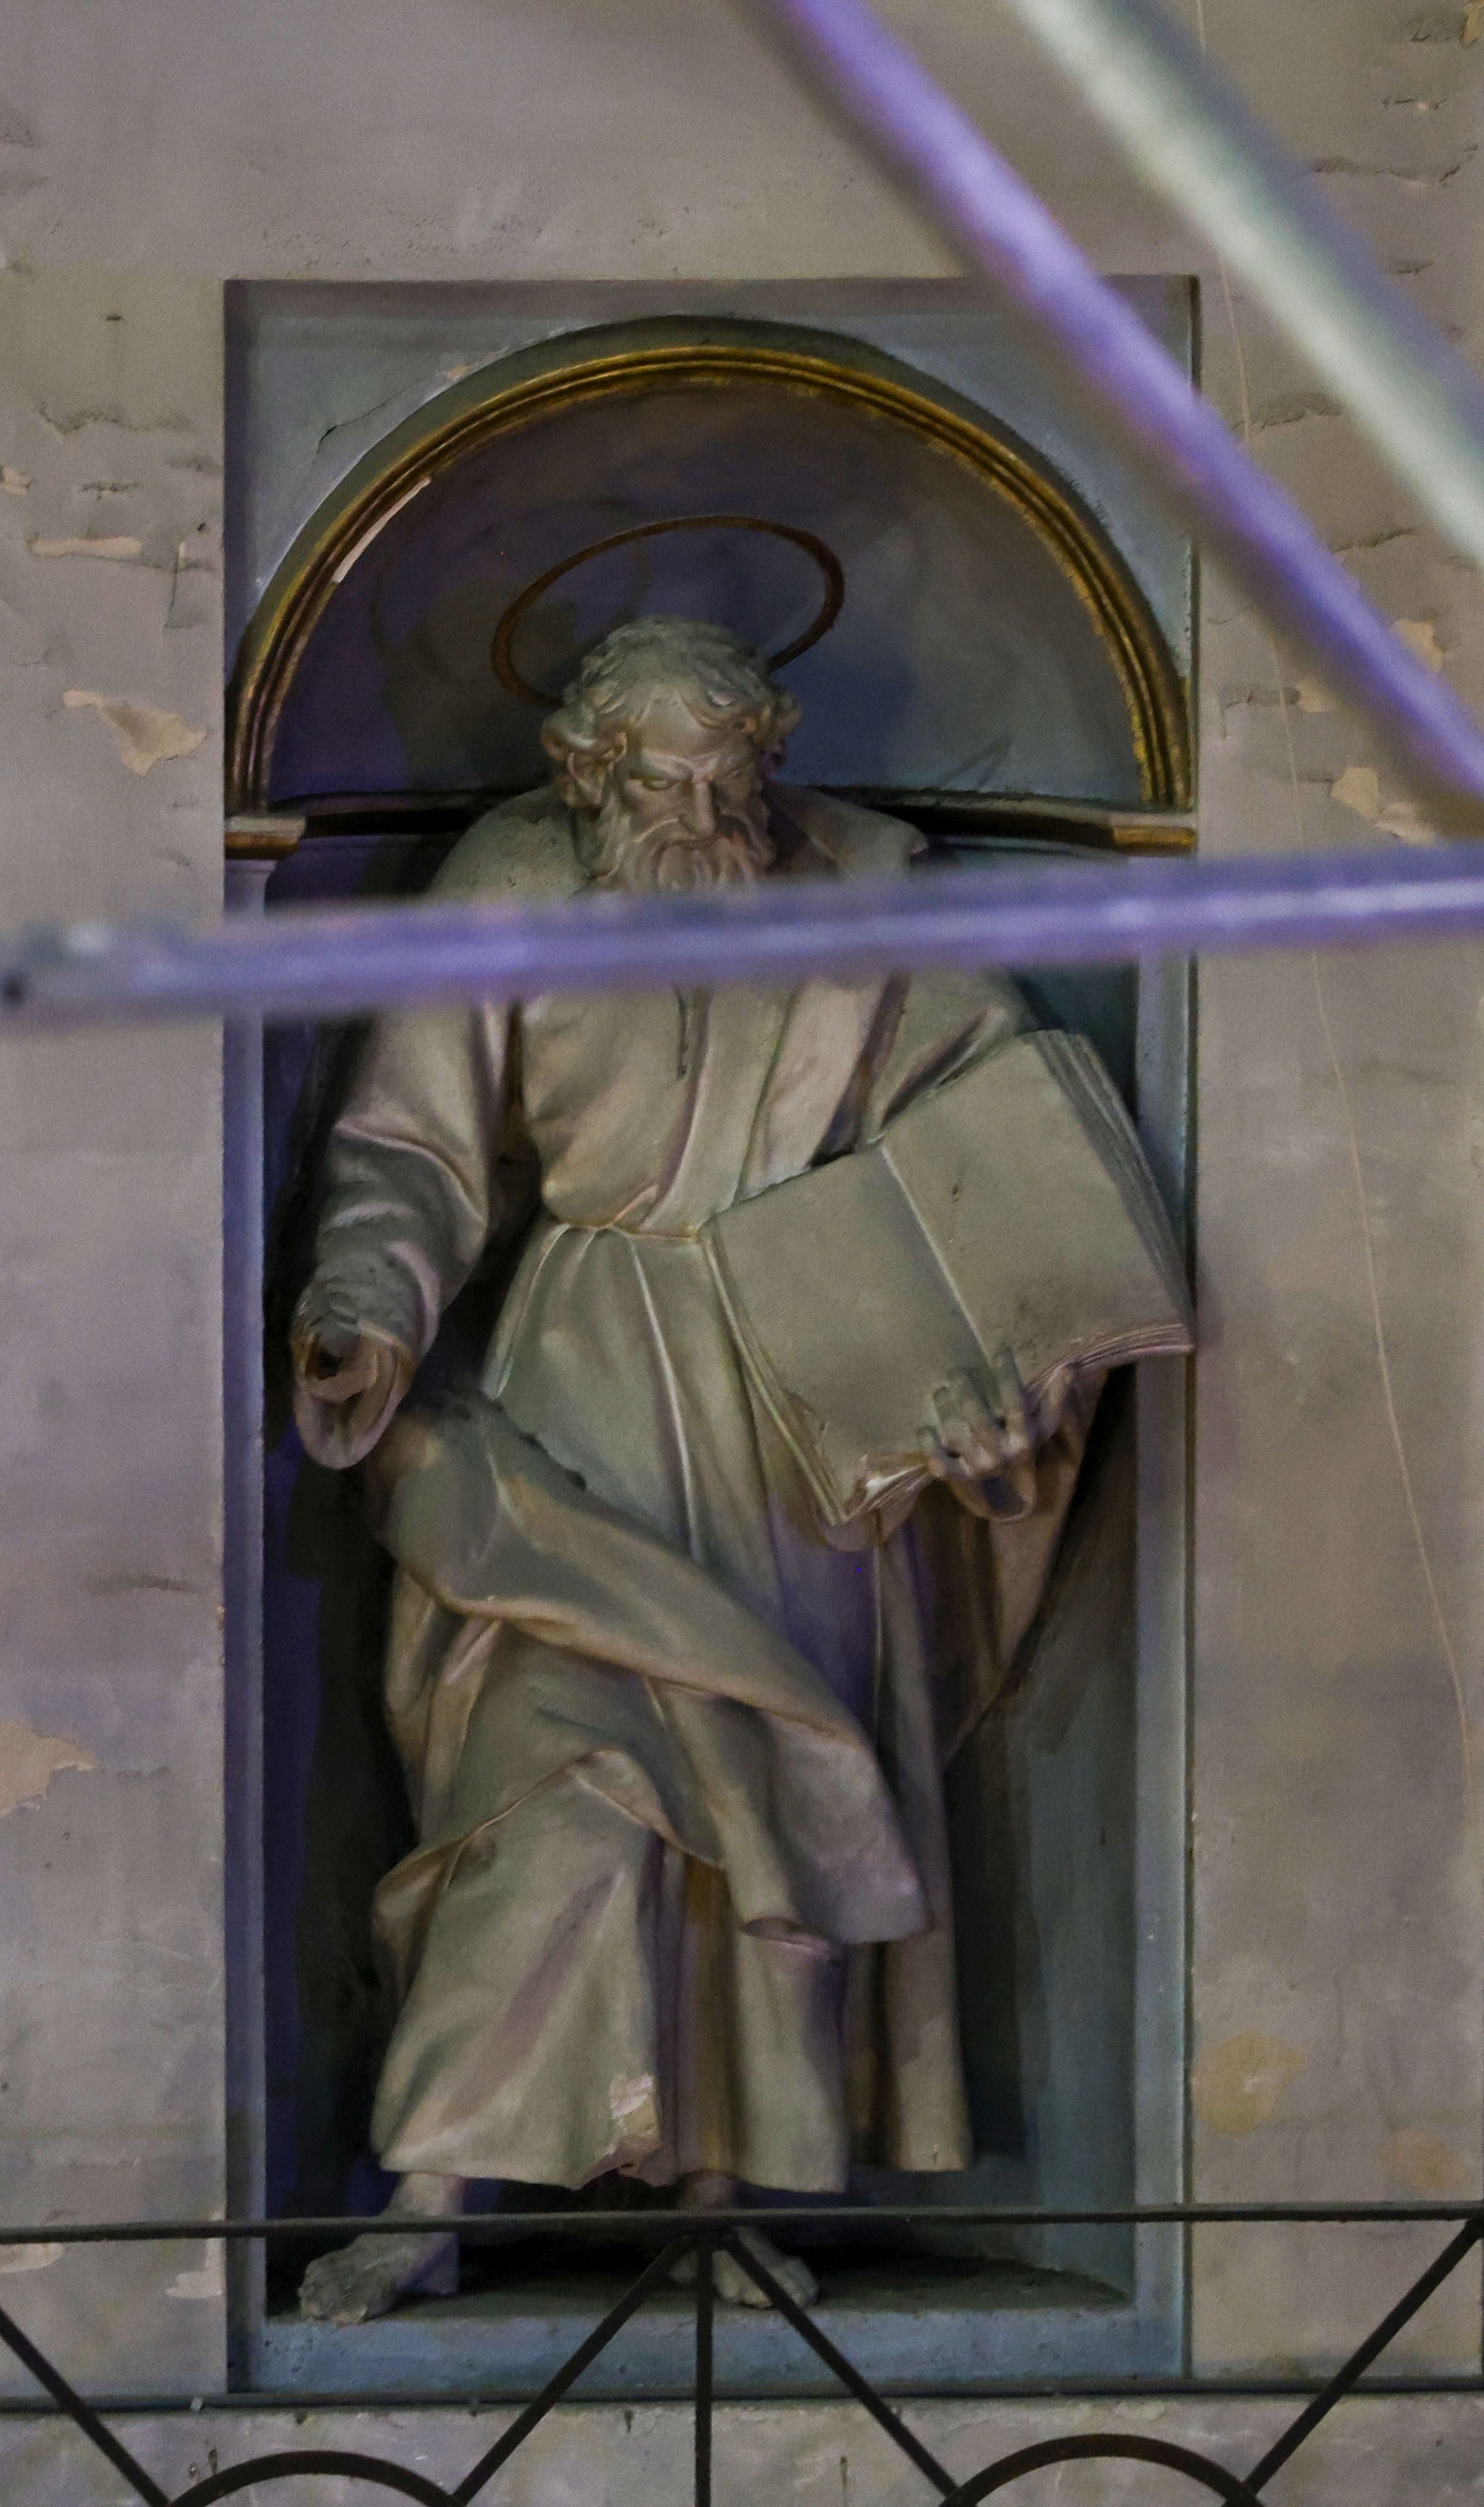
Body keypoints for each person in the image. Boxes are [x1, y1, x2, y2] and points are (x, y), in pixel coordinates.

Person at [288, 615, 1152, 2323]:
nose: (698, 808)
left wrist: (998, 1357)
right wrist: (363, 1313)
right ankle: (430, 2184)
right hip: (570, 1377)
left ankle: (729, 2185)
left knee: (767, 1799)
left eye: (726, 774)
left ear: (767, 760)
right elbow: (411, 1143)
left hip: (792, 1391)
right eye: (662, 779)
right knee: (546, 1794)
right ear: (586, 773)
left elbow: (985, 1142)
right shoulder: (509, 885)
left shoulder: (856, 897)